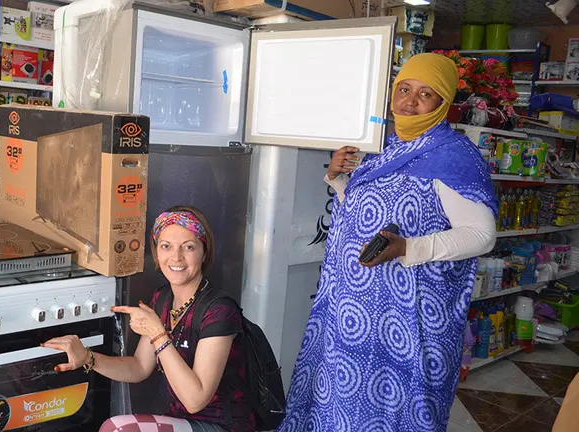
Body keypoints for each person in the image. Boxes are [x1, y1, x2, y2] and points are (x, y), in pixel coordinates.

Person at [278, 53, 499, 432]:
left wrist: (409, 248)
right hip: (352, 313)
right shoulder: (385, 147)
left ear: (443, 101)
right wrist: (337, 179)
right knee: (340, 405)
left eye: (425, 94)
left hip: (407, 322)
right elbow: (363, 215)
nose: (409, 102)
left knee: (397, 412)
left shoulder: (454, 155)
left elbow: (481, 235)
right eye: (404, 89)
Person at [43, 206, 255, 432]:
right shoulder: (163, 299)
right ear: (156, 252)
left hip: (224, 426)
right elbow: (139, 367)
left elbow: (195, 400)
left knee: (118, 428)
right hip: (182, 420)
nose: (176, 257)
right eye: (166, 246)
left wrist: (157, 333)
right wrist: (88, 357)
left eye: (189, 247)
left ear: (204, 253)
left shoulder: (219, 310)